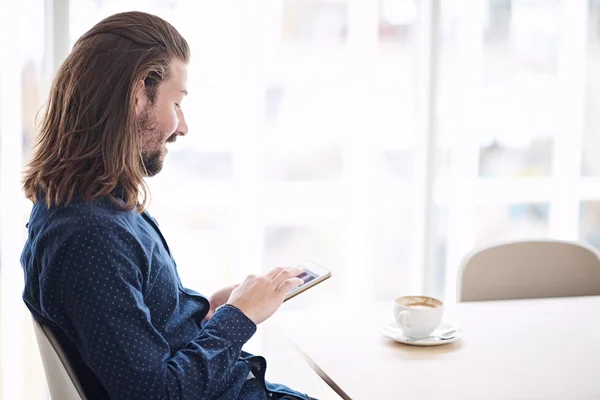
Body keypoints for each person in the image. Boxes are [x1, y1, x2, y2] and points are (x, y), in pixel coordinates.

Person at [21, 11, 316, 400]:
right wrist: (240, 318)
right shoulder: (90, 236)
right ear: (138, 95)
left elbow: (141, 333)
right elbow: (156, 394)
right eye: (176, 103)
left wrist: (211, 309)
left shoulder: (100, 208)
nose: (182, 126)